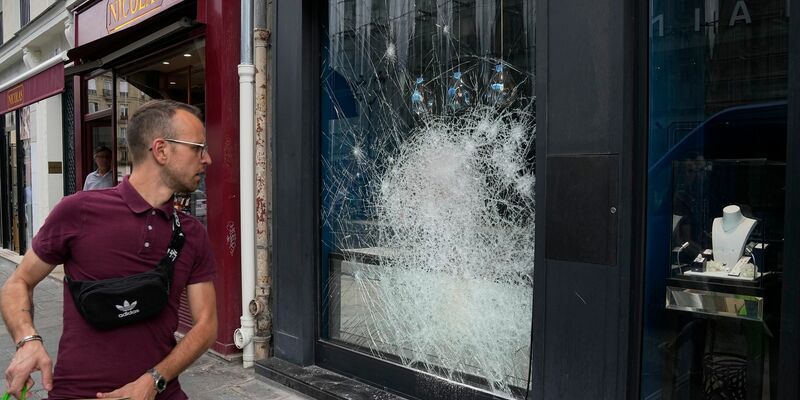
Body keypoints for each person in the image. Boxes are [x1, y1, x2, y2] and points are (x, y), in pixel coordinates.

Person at [1, 100, 217, 400]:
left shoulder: (192, 233)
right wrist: (27, 340)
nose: (207, 159)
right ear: (161, 150)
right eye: (198, 148)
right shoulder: (78, 210)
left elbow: (207, 325)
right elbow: (18, 282)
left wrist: (155, 379)